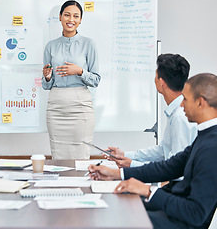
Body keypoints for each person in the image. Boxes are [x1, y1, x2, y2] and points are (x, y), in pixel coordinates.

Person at [88, 73, 217, 228]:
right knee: (118, 203)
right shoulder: (205, 136)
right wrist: (116, 174)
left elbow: (195, 213)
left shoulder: (212, 147)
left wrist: (148, 190)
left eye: (185, 99)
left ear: (200, 103)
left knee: (115, 217)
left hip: (182, 222)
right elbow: (168, 167)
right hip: (174, 212)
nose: (181, 105)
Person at [105, 54, 197, 168]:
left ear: (161, 82)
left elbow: (176, 168)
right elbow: (163, 150)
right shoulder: (175, 112)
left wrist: (132, 165)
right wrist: (125, 155)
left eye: (155, 75)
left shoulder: (180, 116)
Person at [42, 0, 101, 160]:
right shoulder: (50, 46)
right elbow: (46, 85)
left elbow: (95, 80)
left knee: (81, 156)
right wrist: (47, 77)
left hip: (80, 105)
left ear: (80, 20)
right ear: (60, 17)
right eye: (67, 15)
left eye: (76, 16)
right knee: (58, 156)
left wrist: (80, 71)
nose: (71, 19)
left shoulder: (89, 44)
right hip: (56, 106)